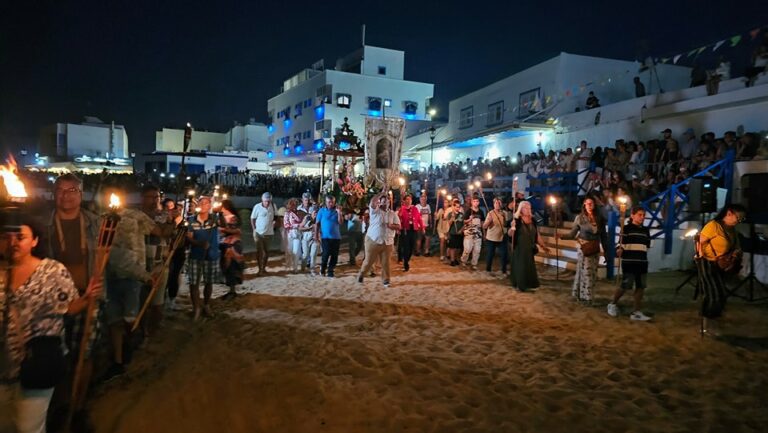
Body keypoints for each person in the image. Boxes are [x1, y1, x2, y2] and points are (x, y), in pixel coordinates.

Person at [1, 218, 101, 433]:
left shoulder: (51, 271)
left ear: (34, 241)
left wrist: (87, 298)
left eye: (20, 237)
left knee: (28, 427)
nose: (13, 243)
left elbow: (69, 307)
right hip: (3, 365)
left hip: (38, 361)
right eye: (6, 237)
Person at [43, 173, 101, 430]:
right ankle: (58, 404)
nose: (65, 195)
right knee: (55, 355)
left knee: (84, 355)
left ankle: (78, 406)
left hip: (88, 295)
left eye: (72, 190)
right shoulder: (43, 225)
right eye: (60, 190)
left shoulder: (95, 223)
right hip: (52, 300)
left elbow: (107, 256)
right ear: (53, 193)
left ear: (81, 194)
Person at [103, 187, 165, 380]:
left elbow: (160, 232)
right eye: (150, 196)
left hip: (135, 274)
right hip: (113, 275)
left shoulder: (135, 217)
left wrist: (172, 223)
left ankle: (131, 345)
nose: (153, 200)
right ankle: (119, 359)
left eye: (156, 197)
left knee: (131, 319)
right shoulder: (103, 220)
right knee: (115, 321)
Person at [696, 204, 746, 335]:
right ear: (729, 213)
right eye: (738, 217)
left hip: (722, 265)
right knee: (714, 294)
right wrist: (700, 256)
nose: (739, 221)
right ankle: (706, 325)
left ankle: (710, 323)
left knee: (719, 294)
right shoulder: (713, 226)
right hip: (708, 263)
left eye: (741, 219)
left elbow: (736, 246)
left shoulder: (732, 230)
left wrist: (735, 253)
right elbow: (699, 242)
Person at [559, 196, 608, 304]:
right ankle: (586, 296)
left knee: (592, 272)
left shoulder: (599, 219)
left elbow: (603, 236)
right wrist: (562, 236)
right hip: (584, 247)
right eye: (587, 203)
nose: (589, 206)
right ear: (584, 205)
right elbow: (572, 234)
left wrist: (606, 251)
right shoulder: (580, 218)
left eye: (591, 203)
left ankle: (584, 294)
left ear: (594, 205)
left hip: (595, 247)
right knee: (586, 271)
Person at [608, 206, 652, 321]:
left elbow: (647, 245)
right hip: (629, 262)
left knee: (641, 286)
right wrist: (619, 249)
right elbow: (621, 243)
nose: (642, 217)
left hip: (642, 261)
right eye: (639, 215)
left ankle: (636, 312)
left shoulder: (646, 230)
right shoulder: (626, 229)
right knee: (626, 285)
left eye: (643, 215)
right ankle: (613, 303)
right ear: (632, 215)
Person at [186, 196, 220, 321]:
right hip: (196, 255)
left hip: (211, 255)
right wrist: (199, 243)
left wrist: (220, 212)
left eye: (206, 203)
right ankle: (196, 308)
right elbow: (188, 237)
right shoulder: (191, 220)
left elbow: (224, 224)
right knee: (193, 283)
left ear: (210, 206)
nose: (203, 205)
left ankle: (206, 305)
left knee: (208, 282)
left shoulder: (214, 219)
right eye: (201, 203)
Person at [357, 192, 401, 287]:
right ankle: (362, 273)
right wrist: (382, 193)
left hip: (387, 241)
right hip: (373, 240)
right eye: (383, 201)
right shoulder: (375, 211)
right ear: (379, 202)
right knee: (368, 261)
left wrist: (391, 226)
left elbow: (398, 226)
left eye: (387, 201)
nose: (385, 203)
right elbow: (372, 202)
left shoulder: (392, 214)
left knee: (386, 263)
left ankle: (386, 280)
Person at [508, 200, 549, 291]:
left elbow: (536, 234)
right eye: (525, 208)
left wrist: (543, 245)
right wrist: (512, 227)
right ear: (521, 209)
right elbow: (510, 234)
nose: (528, 209)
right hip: (520, 248)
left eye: (529, 208)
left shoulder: (532, 220)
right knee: (521, 266)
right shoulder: (517, 220)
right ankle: (521, 285)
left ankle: (529, 284)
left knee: (529, 266)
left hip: (529, 247)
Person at [163, 198, 187, 311]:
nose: (170, 209)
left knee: (174, 275)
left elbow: (182, 236)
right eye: (167, 207)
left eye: (172, 207)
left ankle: (172, 299)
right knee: (165, 276)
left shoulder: (181, 221)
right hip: (164, 251)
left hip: (177, 251)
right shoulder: (162, 220)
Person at [219, 199, 243, 299]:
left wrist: (221, 229)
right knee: (226, 266)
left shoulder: (232, 217)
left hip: (232, 245)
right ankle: (231, 290)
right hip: (226, 243)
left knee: (231, 267)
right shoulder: (224, 217)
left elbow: (235, 230)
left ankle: (232, 291)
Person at [315, 195, 343, 277]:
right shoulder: (321, 211)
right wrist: (316, 235)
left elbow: (340, 222)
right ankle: (323, 269)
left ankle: (330, 271)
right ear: (326, 202)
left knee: (334, 255)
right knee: (326, 254)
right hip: (325, 237)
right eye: (329, 202)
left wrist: (339, 213)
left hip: (336, 237)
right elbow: (317, 224)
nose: (330, 204)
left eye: (332, 202)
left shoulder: (337, 211)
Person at [250, 192, 276, 276]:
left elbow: (276, 217)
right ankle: (259, 269)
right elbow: (252, 218)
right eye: (265, 201)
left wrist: (275, 222)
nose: (267, 203)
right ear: (262, 200)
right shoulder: (257, 207)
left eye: (268, 201)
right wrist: (254, 229)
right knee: (259, 251)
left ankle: (263, 268)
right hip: (258, 233)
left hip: (269, 233)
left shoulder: (273, 206)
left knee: (266, 252)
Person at [397, 194, 425, 272]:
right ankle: (406, 263)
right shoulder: (402, 209)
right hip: (405, 230)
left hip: (414, 229)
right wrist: (399, 225)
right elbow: (398, 220)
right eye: (407, 199)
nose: (409, 201)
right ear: (404, 201)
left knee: (412, 246)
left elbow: (419, 218)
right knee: (406, 247)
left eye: (410, 199)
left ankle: (407, 259)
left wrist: (422, 227)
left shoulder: (415, 208)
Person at [483, 197, 508, 275]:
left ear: (501, 204)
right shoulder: (490, 213)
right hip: (491, 238)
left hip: (501, 237)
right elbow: (484, 226)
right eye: (496, 203)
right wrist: (489, 221)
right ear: (494, 204)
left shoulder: (504, 213)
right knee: (490, 254)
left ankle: (504, 270)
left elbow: (506, 224)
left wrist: (505, 218)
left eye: (499, 203)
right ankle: (488, 270)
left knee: (504, 254)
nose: (498, 204)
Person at [461, 196, 485, 270]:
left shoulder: (481, 211)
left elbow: (482, 223)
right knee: (467, 249)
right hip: (469, 232)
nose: (476, 203)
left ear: (479, 202)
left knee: (477, 250)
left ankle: (474, 264)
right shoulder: (468, 211)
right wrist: (469, 219)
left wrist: (484, 233)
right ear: (471, 202)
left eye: (477, 201)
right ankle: (463, 261)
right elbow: (464, 221)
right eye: (474, 201)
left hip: (478, 233)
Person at [283, 198, 303, 273]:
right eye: (293, 205)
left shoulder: (299, 212)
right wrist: (297, 225)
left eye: (296, 205)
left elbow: (302, 223)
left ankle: (295, 268)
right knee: (289, 251)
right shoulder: (287, 213)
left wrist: (298, 225)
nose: (295, 206)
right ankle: (289, 266)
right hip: (290, 234)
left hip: (297, 234)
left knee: (296, 251)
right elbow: (286, 224)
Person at [301, 206, 320, 275]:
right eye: (315, 212)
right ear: (311, 212)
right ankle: (303, 267)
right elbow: (300, 228)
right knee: (305, 255)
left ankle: (312, 269)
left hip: (315, 239)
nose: (316, 213)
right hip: (306, 238)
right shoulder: (307, 218)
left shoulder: (319, 219)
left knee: (313, 254)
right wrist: (309, 228)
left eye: (317, 212)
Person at [434, 197, 453, 261]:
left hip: (447, 228)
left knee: (446, 242)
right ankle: (441, 255)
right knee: (442, 241)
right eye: (444, 202)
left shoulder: (450, 210)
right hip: (440, 228)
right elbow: (437, 218)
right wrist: (435, 215)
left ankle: (446, 254)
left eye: (447, 202)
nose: (445, 204)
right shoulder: (440, 210)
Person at [446, 199, 464, 266]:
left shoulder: (461, 214)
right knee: (452, 247)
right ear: (453, 207)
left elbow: (464, 224)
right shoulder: (450, 214)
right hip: (452, 233)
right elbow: (449, 223)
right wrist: (452, 218)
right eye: (456, 207)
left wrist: (461, 230)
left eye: (459, 207)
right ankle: (452, 260)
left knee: (458, 248)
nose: (457, 208)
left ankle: (456, 259)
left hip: (459, 233)